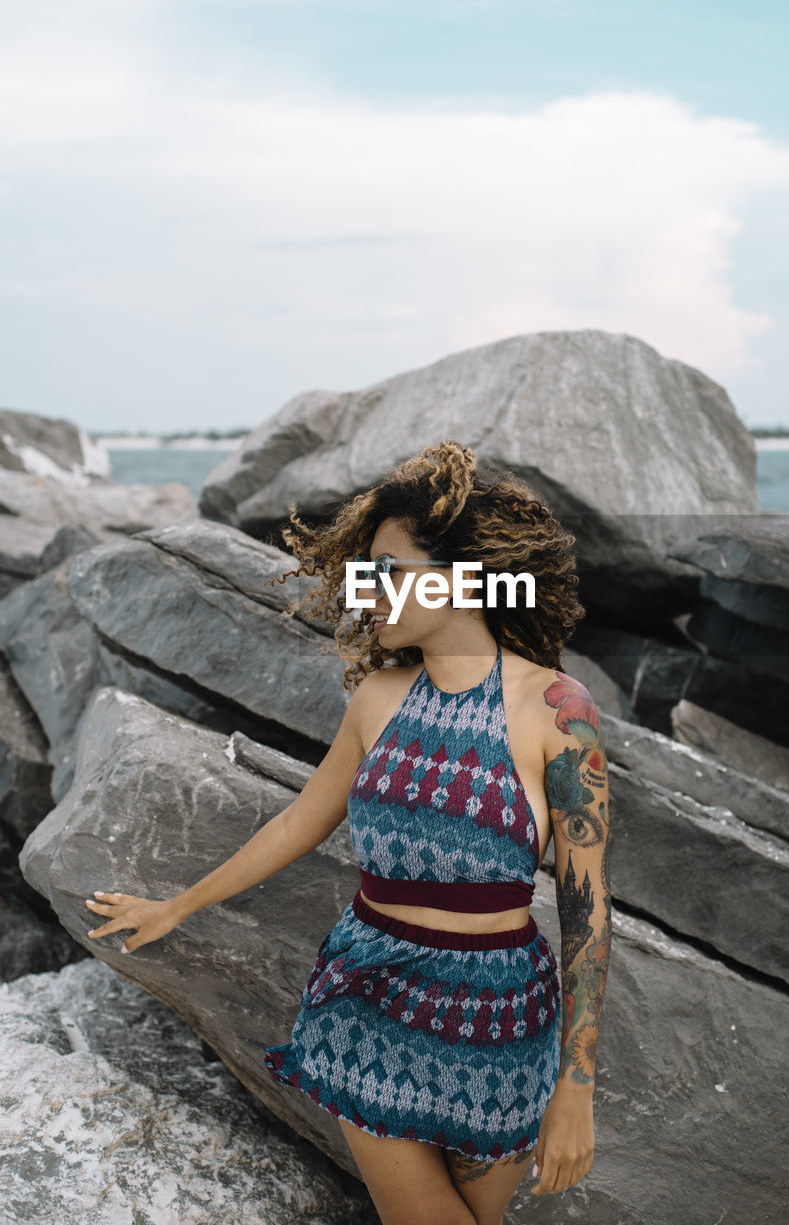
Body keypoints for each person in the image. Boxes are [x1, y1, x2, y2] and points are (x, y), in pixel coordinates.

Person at [84, 439, 612, 1225]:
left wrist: (577, 1086)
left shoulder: (560, 712)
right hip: (372, 1000)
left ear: (465, 575)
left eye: (387, 571)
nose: (369, 593)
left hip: (503, 1022)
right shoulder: (377, 699)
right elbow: (300, 819)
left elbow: (587, 908)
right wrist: (176, 906)